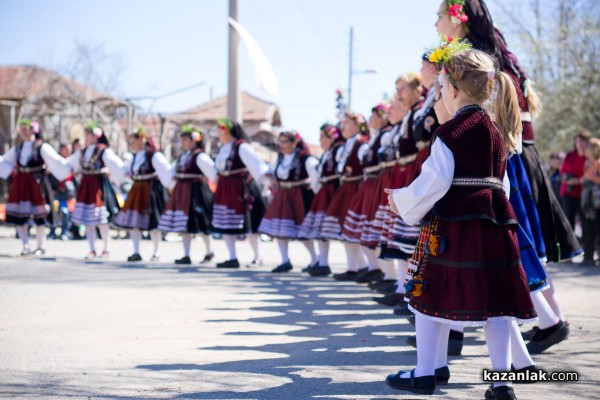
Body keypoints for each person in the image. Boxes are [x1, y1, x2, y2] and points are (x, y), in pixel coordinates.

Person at [384, 47, 535, 400]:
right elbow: (503, 186)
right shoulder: (499, 133)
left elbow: (433, 183)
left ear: (451, 88)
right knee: (499, 305)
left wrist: (400, 200)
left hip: (454, 228)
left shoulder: (451, 132)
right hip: (497, 226)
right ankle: (502, 382)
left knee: (426, 292)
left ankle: (424, 372)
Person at [435, 0, 582, 263]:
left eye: (439, 16)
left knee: (514, 256)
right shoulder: (492, 52)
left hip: (500, 157)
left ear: (457, 19)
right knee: (515, 259)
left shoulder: (473, 59)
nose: (435, 24)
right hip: (509, 151)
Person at [0, 119, 70, 255]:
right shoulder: (18, 148)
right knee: (19, 215)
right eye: (22, 130)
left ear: (34, 130)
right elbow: (5, 161)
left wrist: (68, 167)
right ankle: (25, 245)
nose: (24, 133)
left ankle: (41, 246)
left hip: (36, 183)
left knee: (40, 215)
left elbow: (55, 160)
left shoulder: (41, 146)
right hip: (21, 183)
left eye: (26, 129)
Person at [340, 103, 392, 284]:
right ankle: (374, 269)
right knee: (365, 229)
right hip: (370, 184)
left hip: (376, 183)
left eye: (373, 116)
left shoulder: (381, 136)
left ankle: (385, 273)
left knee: (375, 228)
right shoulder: (375, 138)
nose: (371, 121)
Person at [211, 118, 269, 268]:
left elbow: (256, 165)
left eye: (221, 129)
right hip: (225, 188)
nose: (219, 132)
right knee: (226, 222)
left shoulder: (241, 147)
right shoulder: (222, 148)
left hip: (241, 189)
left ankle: (258, 256)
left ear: (228, 131)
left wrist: (266, 184)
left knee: (249, 222)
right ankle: (232, 257)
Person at [259, 130, 319, 273]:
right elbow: (270, 172)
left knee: (303, 230)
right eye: (280, 142)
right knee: (281, 229)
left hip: (300, 196)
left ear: (294, 142)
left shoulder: (305, 159)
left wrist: (311, 183)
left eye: (285, 141)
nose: (281, 145)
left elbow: (317, 175)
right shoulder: (279, 159)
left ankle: (315, 259)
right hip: (283, 195)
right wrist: (271, 179)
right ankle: (285, 261)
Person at [321, 112, 370, 280]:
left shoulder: (362, 144)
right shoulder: (346, 145)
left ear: (358, 125)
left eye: (347, 123)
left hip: (355, 189)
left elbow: (367, 169)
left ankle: (366, 267)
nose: (343, 126)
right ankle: (354, 267)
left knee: (355, 227)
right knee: (346, 228)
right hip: (345, 188)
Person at [157, 125, 215, 264]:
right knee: (185, 223)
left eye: (185, 140)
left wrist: (206, 179)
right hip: (182, 191)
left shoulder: (200, 156)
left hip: (196, 192)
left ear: (193, 140)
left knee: (202, 222)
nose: (183, 142)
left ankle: (209, 251)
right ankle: (186, 254)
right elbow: (172, 173)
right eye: (182, 140)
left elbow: (212, 172)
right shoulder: (182, 156)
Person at [113, 128, 173, 262]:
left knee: (153, 221)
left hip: (150, 189)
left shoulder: (153, 155)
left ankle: (157, 251)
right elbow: (127, 170)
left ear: (141, 139)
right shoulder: (134, 156)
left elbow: (165, 169)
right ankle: (136, 251)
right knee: (134, 221)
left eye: (133, 140)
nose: (132, 144)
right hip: (137, 189)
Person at [68, 122, 124, 258]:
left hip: (98, 187)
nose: (86, 137)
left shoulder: (103, 150)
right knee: (88, 220)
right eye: (86, 134)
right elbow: (70, 163)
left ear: (95, 136)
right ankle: (92, 249)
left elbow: (116, 164)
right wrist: (69, 170)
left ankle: (106, 248)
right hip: (86, 186)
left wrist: (110, 171)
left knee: (101, 220)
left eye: (89, 134)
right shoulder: (83, 151)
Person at [299, 124, 345, 276]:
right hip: (325, 192)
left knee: (340, 229)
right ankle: (323, 263)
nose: (320, 140)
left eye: (322, 137)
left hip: (334, 192)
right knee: (321, 229)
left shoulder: (338, 150)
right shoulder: (327, 153)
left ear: (331, 137)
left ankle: (360, 265)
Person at [560, 130, 591, 233]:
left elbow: (591, 174)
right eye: (578, 141)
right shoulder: (569, 156)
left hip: (585, 195)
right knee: (569, 223)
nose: (580, 143)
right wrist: (568, 180)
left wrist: (578, 181)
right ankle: (571, 247)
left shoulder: (590, 157)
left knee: (587, 224)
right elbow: (562, 172)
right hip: (568, 194)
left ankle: (588, 247)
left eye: (583, 141)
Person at [48, 143, 76, 240]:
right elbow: (50, 176)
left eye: (69, 149)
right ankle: (52, 231)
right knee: (55, 211)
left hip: (69, 192)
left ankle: (64, 231)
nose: (67, 151)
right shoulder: (56, 162)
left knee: (66, 213)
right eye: (65, 149)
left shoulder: (72, 161)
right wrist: (52, 189)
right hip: (57, 191)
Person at [580, 137, 600, 266]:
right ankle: (588, 256)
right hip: (588, 202)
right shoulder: (588, 164)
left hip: (597, 202)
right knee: (588, 229)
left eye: (588, 147)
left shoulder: (598, 163)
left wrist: (589, 177)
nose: (585, 150)